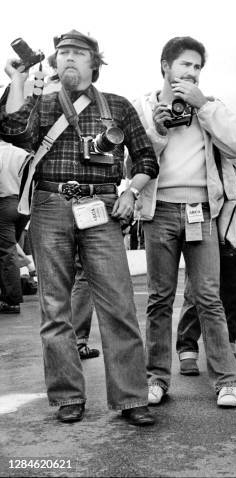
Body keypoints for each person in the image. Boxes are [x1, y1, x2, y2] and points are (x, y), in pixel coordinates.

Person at [1, 30, 158, 426]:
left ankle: (131, 397)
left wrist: (131, 193)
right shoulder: (42, 100)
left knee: (119, 305)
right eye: (62, 53)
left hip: (102, 205)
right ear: (53, 62)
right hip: (50, 203)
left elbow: (146, 160)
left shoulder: (118, 105)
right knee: (55, 307)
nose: (68, 57)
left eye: (77, 52)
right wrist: (18, 79)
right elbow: (12, 130)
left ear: (94, 63)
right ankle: (67, 396)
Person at [133, 36, 236, 408]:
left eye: (197, 67)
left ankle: (227, 381)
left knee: (208, 297)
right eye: (185, 64)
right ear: (165, 65)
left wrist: (205, 108)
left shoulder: (211, 106)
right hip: (160, 209)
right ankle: (156, 379)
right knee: (159, 298)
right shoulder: (145, 106)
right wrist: (159, 131)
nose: (192, 72)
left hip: (201, 208)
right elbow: (133, 162)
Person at [175, 150, 236, 373]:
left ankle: (228, 350)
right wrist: (232, 190)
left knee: (234, 293)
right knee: (196, 291)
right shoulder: (197, 144)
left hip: (235, 226)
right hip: (204, 221)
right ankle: (188, 350)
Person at [0, 139, 30, 314]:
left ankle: (11, 300)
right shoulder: (21, 153)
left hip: (4, 204)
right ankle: (8, 291)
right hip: (23, 204)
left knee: (6, 251)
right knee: (11, 247)